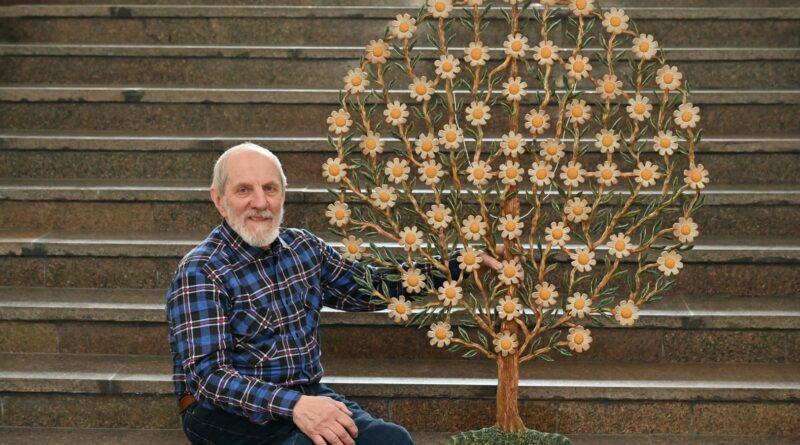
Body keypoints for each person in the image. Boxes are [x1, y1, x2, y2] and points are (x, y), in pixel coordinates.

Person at [167, 143, 497, 445]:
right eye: (244, 190)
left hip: (305, 394)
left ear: (283, 194)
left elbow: (372, 287)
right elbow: (210, 378)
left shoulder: (304, 248)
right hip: (221, 412)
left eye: (270, 188)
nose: (260, 202)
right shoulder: (201, 270)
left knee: (391, 440)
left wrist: (461, 265)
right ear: (219, 200)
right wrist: (295, 406)